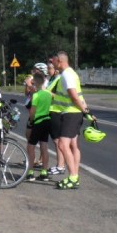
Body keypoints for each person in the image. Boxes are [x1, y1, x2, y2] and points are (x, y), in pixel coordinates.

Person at [50, 51, 92, 190]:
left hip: (71, 114)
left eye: (54, 61)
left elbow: (74, 96)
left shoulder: (67, 74)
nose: (53, 63)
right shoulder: (69, 74)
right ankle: (74, 175)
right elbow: (79, 95)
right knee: (74, 145)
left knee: (63, 145)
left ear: (59, 61)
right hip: (71, 113)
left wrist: (85, 111)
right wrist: (86, 111)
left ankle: (73, 177)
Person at [25, 71, 51, 182]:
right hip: (47, 120)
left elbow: (32, 111)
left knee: (31, 146)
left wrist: (31, 121)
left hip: (38, 122)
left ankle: (30, 172)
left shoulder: (36, 95)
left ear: (34, 82)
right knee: (44, 146)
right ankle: (44, 171)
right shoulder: (48, 94)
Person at [45, 56, 66, 175]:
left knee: (58, 140)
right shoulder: (52, 79)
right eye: (48, 68)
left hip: (56, 111)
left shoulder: (58, 79)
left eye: (50, 68)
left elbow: (58, 96)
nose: (48, 70)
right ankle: (60, 164)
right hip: (51, 110)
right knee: (56, 140)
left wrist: (46, 92)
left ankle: (61, 165)